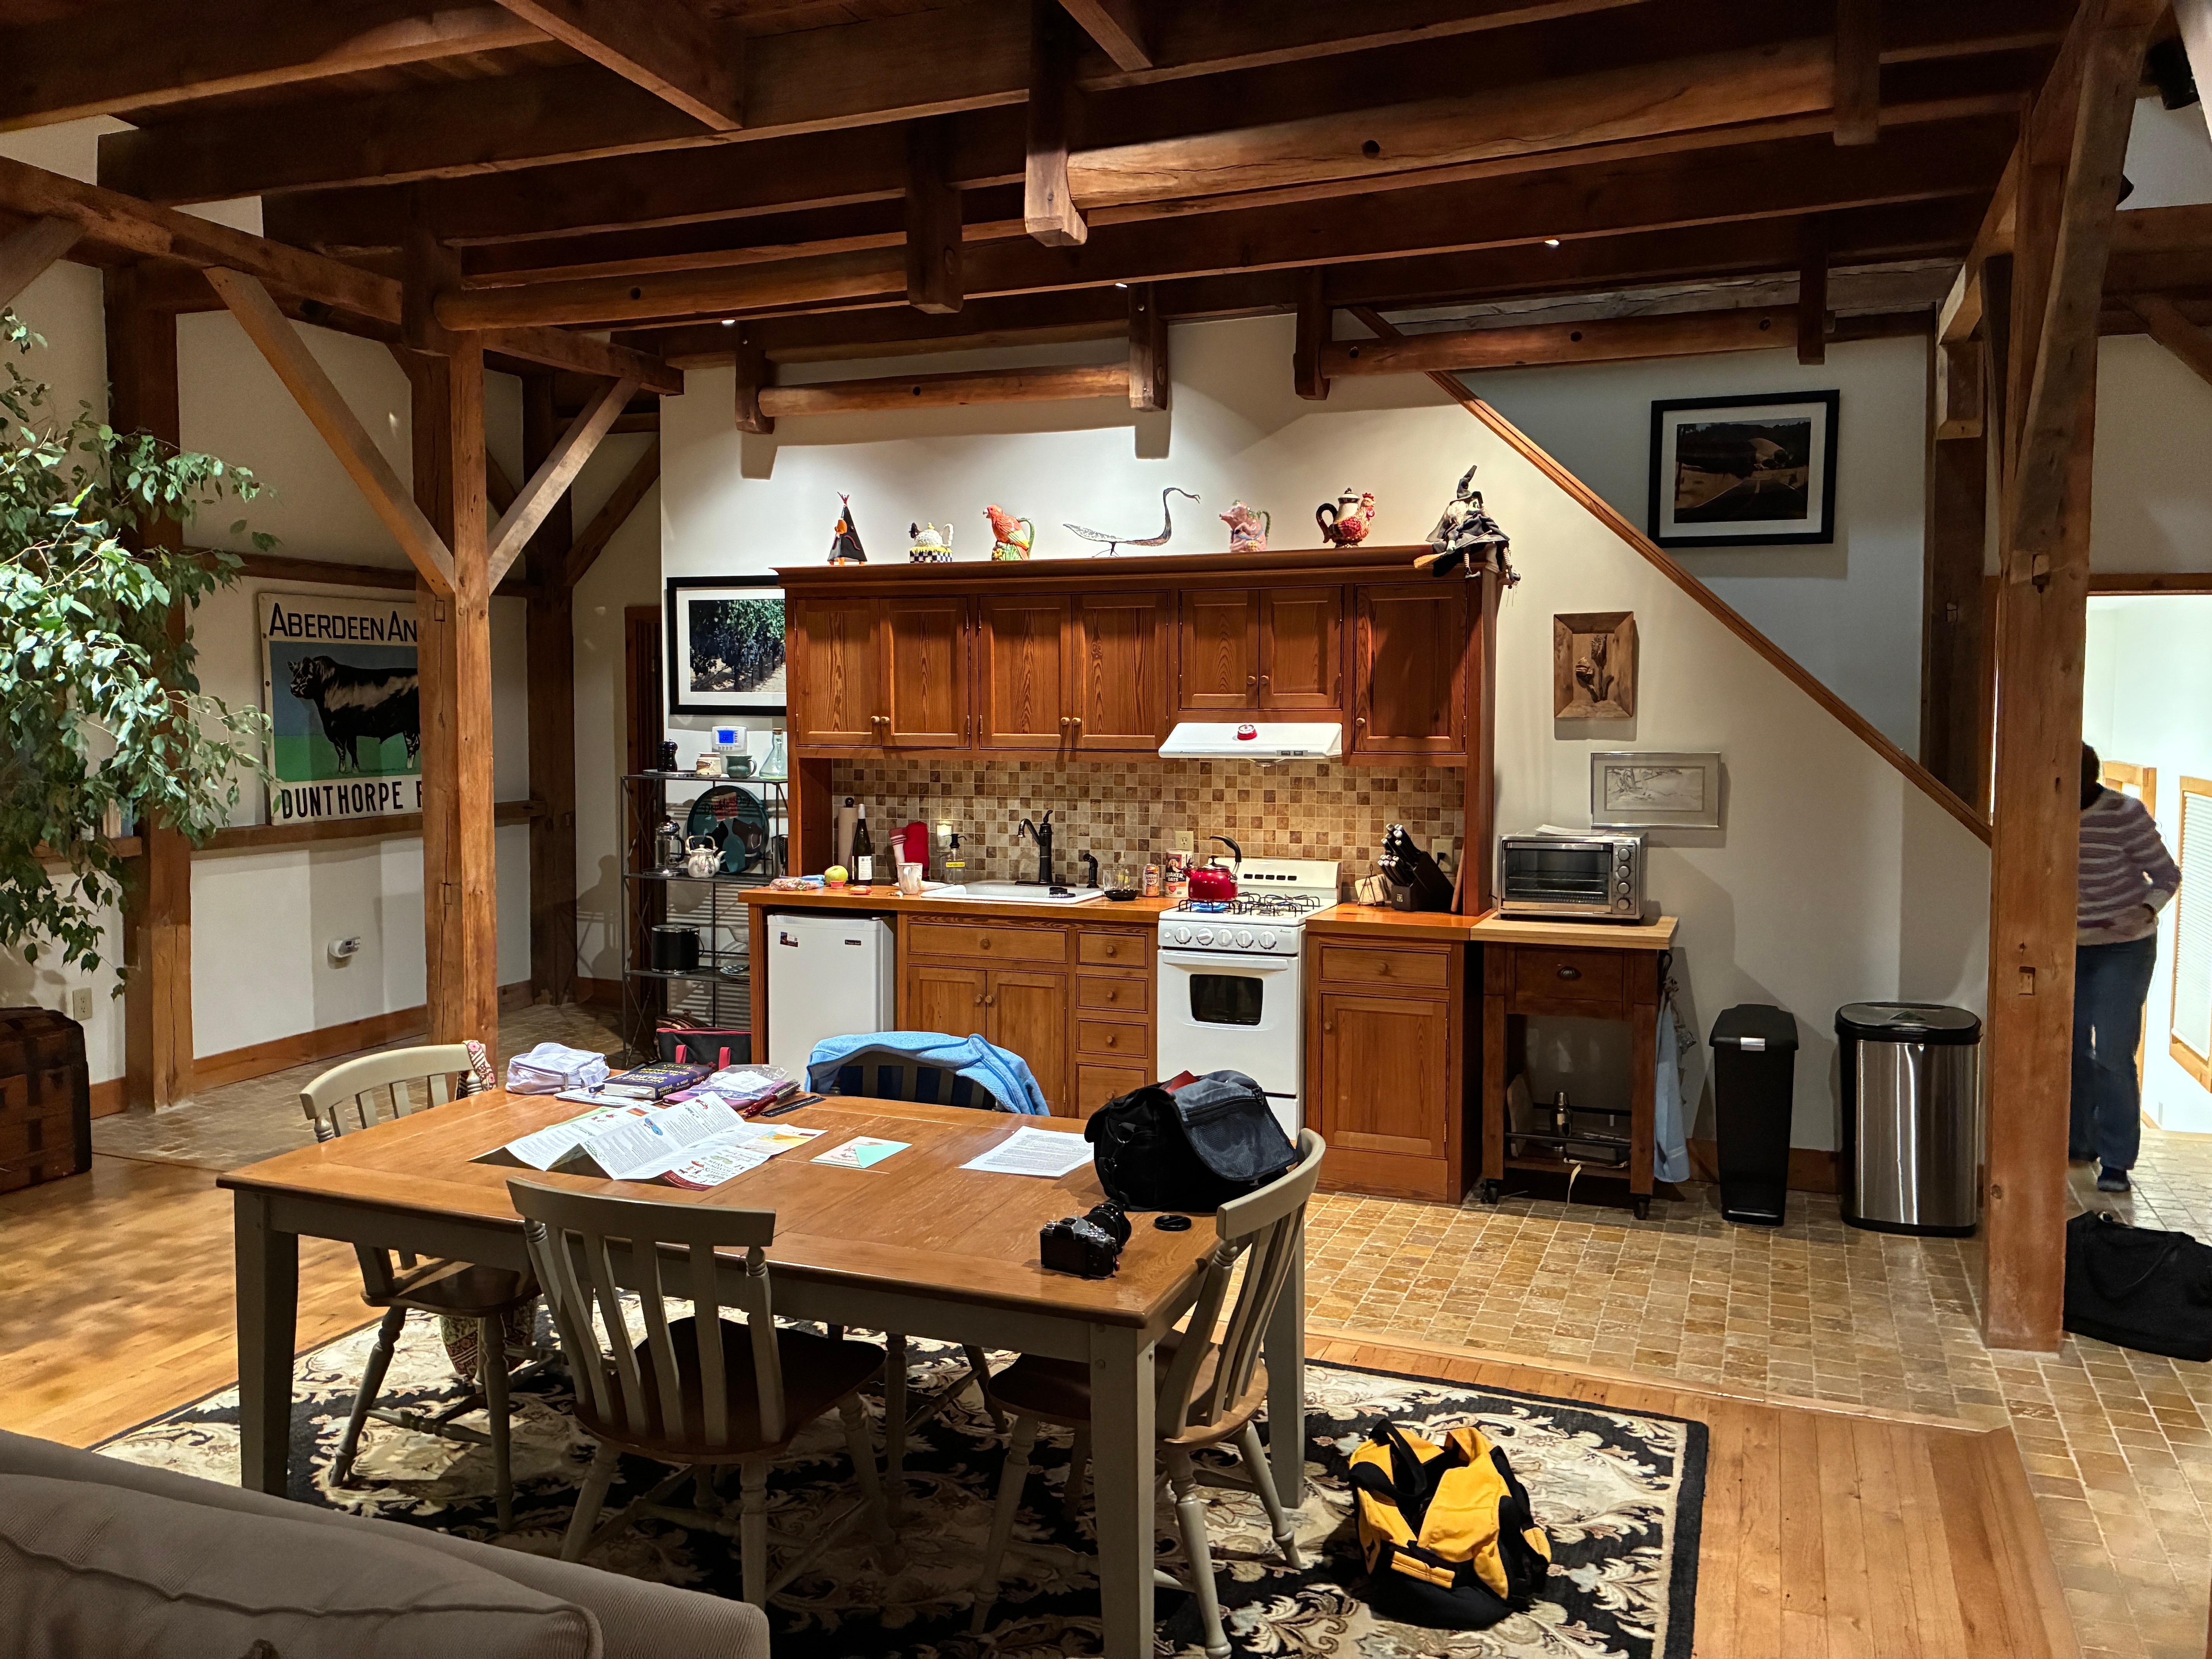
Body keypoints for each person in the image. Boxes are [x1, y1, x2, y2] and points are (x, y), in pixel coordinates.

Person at [2074, 744, 2181, 1192]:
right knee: (2070, 1047)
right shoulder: (2040, 810)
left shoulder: (2123, 813)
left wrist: (2144, 910)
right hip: (2065, 947)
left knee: (2112, 1053)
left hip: (2124, 948)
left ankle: (2117, 1160)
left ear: (2087, 780)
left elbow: (2167, 876)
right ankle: (2078, 1144)